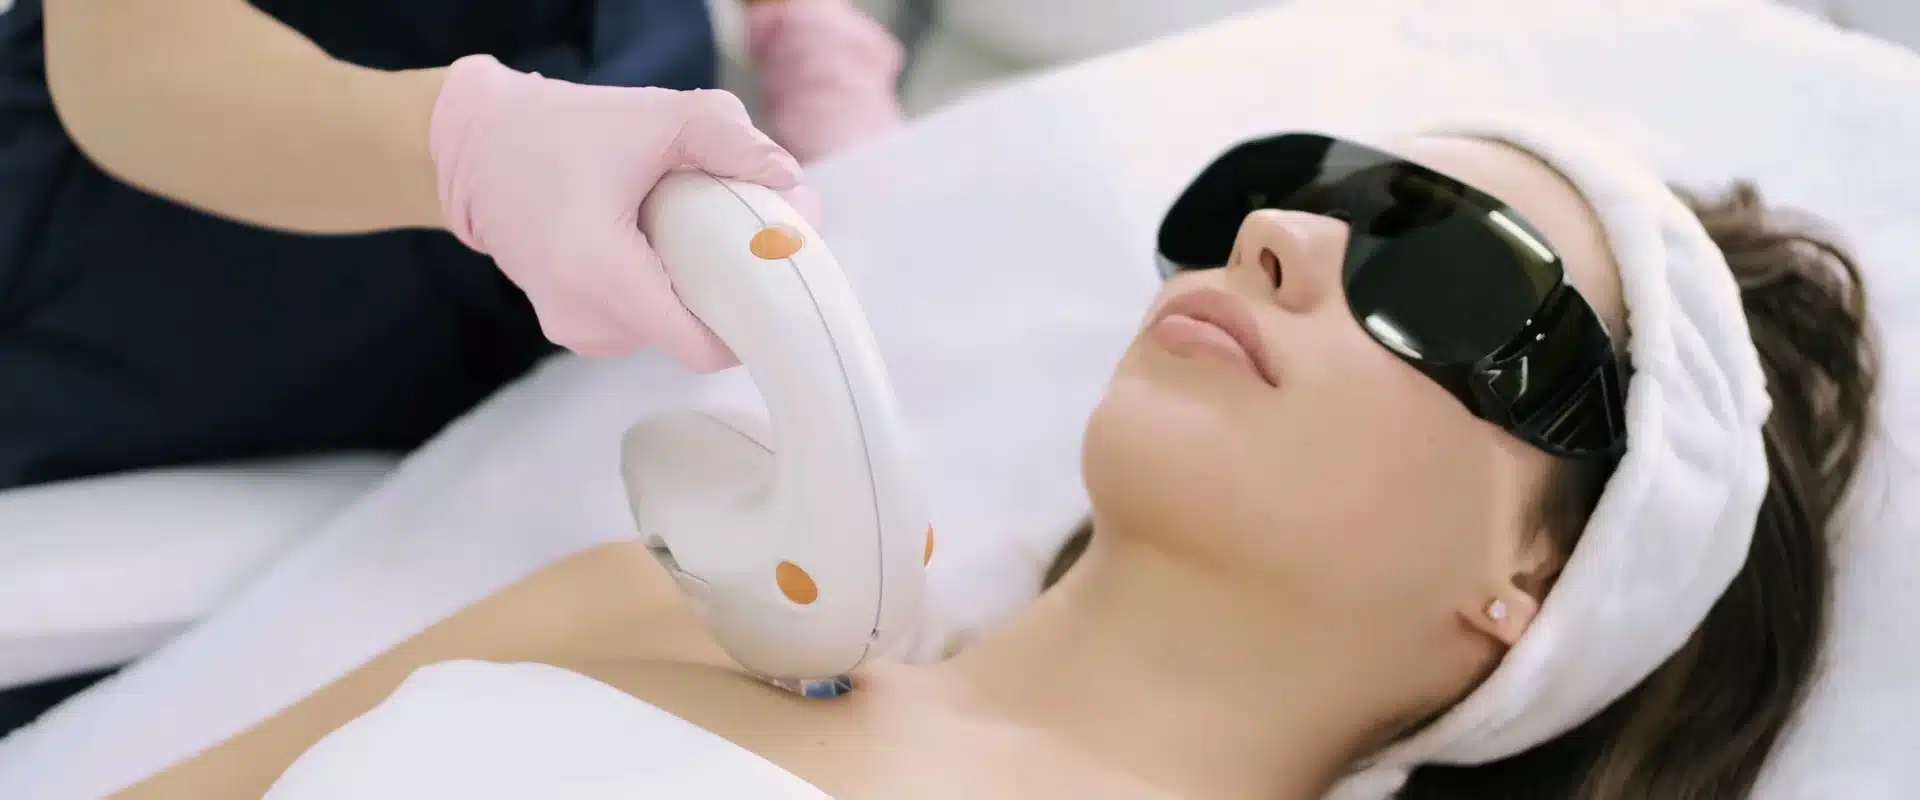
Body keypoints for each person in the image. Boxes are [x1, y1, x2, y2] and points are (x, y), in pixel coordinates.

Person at [114, 125, 1876, 799]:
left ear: (1540, 579)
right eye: (1285, 186)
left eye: (1449, 275)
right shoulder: (645, 618)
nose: (1274, 237)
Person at [0, 0, 905, 491]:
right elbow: (134, 57)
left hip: (520, 347)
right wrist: (468, 147)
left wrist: (802, 28)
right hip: (183, 253)